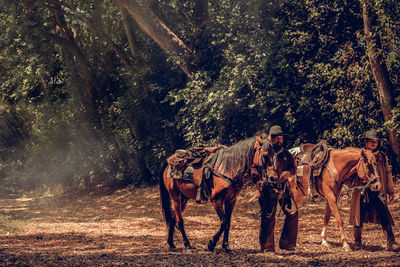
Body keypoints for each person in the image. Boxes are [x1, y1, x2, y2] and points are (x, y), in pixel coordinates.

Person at [349, 129, 399, 251]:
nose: (374, 144)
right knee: (359, 214)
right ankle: (357, 242)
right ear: (365, 141)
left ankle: (391, 242)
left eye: (376, 142)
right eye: (371, 142)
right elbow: (350, 173)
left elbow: (387, 173)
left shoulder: (381, 156)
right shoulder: (359, 156)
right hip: (362, 190)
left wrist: (390, 190)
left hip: (378, 190)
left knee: (384, 212)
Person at [258, 125, 298, 252]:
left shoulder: (286, 154)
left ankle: (287, 243)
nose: (281, 140)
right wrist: (258, 182)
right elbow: (255, 167)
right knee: (269, 217)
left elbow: (293, 168)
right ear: (272, 138)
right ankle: (267, 247)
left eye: (281, 138)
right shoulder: (263, 153)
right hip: (268, 188)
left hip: (284, 188)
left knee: (293, 212)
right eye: (278, 138)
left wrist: (288, 173)